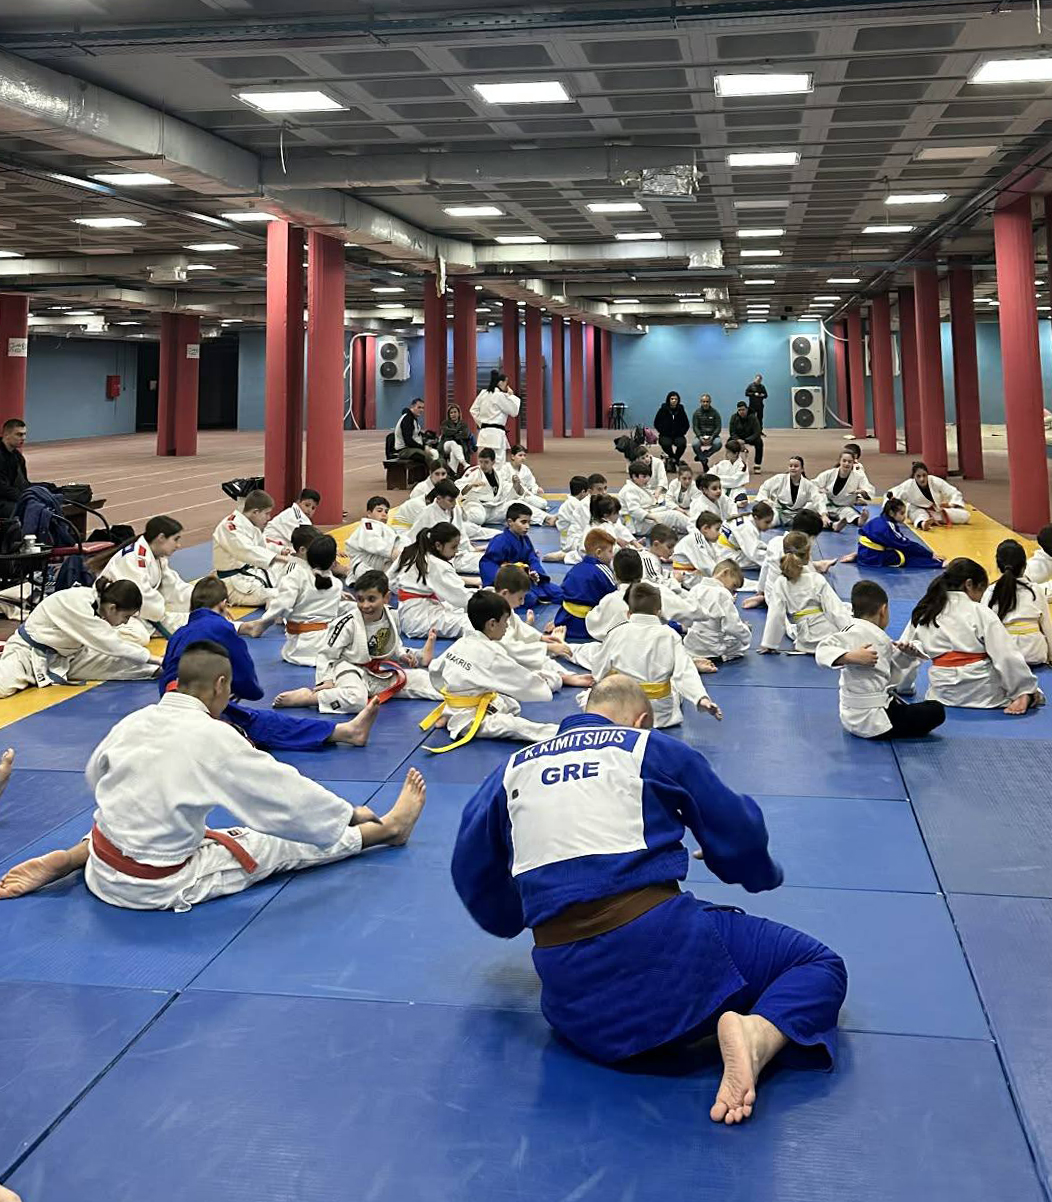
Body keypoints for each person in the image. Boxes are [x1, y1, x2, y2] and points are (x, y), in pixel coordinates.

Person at [452, 673, 847, 1124]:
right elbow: (742, 835)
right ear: (642, 721)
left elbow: (471, 872)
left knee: (656, 913)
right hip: (672, 969)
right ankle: (757, 1034)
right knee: (818, 965)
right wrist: (751, 869)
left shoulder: (509, 772)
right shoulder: (648, 748)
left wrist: (518, 916)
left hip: (574, 1008)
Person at [0, 642, 426, 911]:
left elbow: (98, 778)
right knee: (273, 842)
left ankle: (75, 856)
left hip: (103, 866)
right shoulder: (214, 737)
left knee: (132, 806)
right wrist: (348, 813)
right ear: (221, 685)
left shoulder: (137, 720)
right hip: (152, 887)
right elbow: (284, 797)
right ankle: (387, 831)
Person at [160, 577, 381, 752]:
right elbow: (249, 683)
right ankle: (345, 732)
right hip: (198, 708)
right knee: (259, 723)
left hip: (172, 705)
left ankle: (345, 732)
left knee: (250, 717)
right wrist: (240, 689)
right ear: (224, 605)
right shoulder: (221, 628)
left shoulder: (178, 633)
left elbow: (165, 677)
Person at [274, 570, 442, 713]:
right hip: (348, 668)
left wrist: (401, 655)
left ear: (386, 597)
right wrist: (326, 681)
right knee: (357, 700)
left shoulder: (392, 615)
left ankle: (460, 694)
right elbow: (326, 654)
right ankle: (310, 698)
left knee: (424, 679)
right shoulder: (347, 623)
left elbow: (393, 643)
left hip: (375, 672)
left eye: (371, 599)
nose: (365, 605)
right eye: (360, 599)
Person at [899, 558, 1044, 714]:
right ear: (968, 584)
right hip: (983, 692)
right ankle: (1027, 696)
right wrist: (1023, 690)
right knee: (1037, 694)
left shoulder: (926, 611)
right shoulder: (980, 612)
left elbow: (905, 649)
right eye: (981, 590)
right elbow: (1006, 656)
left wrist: (903, 686)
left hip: (942, 692)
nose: (980, 597)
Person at [422, 590, 560, 751]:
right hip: (469, 719)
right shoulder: (491, 653)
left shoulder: (461, 643)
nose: (507, 626)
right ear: (492, 624)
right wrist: (543, 687)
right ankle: (559, 733)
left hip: (465, 702)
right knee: (513, 725)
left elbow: (435, 669)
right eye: (505, 621)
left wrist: (453, 693)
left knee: (511, 703)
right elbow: (520, 680)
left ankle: (449, 713)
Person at [815, 580, 942, 740]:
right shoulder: (855, 632)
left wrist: (907, 654)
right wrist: (850, 657)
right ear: (883, 610)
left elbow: (887, 674)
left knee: (921, 709)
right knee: (936, 710)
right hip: (873, 720)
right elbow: (822, 650)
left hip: (854, 716)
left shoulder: (872, 635)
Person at [586, 584, 723, 727]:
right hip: (659, 713)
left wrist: (602, 682)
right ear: (658, 613)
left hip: (623, 706)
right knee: (674, 685)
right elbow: (684, 672)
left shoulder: (616, 632)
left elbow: (599, 668)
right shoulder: (670, 635)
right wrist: (701, 698)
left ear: (628, 613)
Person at [0, 579, 160, 697]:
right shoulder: (78, 604)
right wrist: (156, 658)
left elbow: (112, 644)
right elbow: (112, 644)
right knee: (3, 687)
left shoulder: (98, 603)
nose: (125, 622)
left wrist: (158, 663)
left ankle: (161, 670)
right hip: (28, 653)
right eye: (126, 616)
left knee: (120, 662)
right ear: (112, 608)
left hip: (69, 657)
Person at [246, 532, 349, 666]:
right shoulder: (337, 585)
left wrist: (264, 621)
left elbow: (282, 605)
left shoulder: (296, 577)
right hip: (327, 645)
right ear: (333, 563)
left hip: (300, 648)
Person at [492, 565, 593, 691]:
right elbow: (509, 648)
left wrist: (542, 638)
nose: (522, 602)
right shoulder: (491, 612)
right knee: (528, 669)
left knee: (541, 659)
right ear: (505, 593)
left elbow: (518, 626)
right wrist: (547, 647)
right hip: (497, 659)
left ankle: (565, 675)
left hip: (511, 650)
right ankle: (561, 678)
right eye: (520, 598)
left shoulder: (502, 604)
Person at [101, 515, 193, 641]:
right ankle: (98, 635)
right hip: (116, 612)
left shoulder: (156, 556)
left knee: (191, 617)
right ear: (161, 538)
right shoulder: (134, 557)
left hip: (141, 611)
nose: (178, 545)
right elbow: (142, 595)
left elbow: (173, 586)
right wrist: (163, 615)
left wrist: (199, 599)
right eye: (175, 539)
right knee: (139, 636)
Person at [759, 533, 851, 655]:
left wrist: (769, 644)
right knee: (847, 609)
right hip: (829, 636)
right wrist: (850, 634)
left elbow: (775, 615)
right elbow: (836, 610)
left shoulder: (780, 583)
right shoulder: (817, 579)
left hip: (806, 641)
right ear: (808, 555)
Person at [394, 523, 474, 638]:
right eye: (453, 547)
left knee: (457, 609)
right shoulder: (437, 564)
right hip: (419, 618)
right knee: (470, 622)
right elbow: (463, 599)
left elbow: (390, 581)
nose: (456, 551)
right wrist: (490, 599)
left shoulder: (411, 551)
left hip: (408, 612)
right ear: (438, 545)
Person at [745, 510, 835, 610]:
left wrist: (761, 590)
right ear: (812, 537)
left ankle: (764, 598)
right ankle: (819, 566)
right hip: (793, 606)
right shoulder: (802, 550)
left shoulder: (774, 542)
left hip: (771, 598)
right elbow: (812, 583)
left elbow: (765, 568)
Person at [983, 539, 1052, 665]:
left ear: (998, 566)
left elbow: (985, 630)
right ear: (1025, 566)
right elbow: (1047, 627)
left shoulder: (990, 592)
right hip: (1035, 655)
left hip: (1005, 657)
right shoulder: (1035, 590)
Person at [213, 489, 286, 607]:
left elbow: (262, 546)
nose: (269, 518)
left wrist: (281, 551)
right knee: (280, 595)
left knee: (290, 573)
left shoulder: (251, 525)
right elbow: (247, 550)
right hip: (233, 583)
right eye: (267, 513)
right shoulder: (229, 526)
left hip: (250, 574)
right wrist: (279, 557)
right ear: (255, 512)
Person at [480, 503, 562, 606]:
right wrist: (508, 579)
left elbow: (532, 558)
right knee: (530, 598)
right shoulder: (500, 541)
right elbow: (488, 563)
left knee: (560, 593)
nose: (527, 527)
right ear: (510, 522)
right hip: (509, 584)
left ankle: (540, 593)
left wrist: (535, 573)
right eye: (523, 522)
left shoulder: (525, 539)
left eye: (529, 522)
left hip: (527, 580)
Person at [405, 479, 484, 575]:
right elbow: (413, 539)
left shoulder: (455, 509)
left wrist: (470, 549)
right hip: (440, 558)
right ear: (438, 498)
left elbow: (461, 532)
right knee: (484, 563)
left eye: (455, 500)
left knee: (487, 557)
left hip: (457, 552)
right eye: (450, 501)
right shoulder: (427, 514)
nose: (454, 504)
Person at [683, 560, 752, 666]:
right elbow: (732, 627)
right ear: (725, 572)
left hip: (691, 647)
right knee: (740, 643)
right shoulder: (723, 593)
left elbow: (687, 619)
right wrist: (746, 632)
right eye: (733, 585)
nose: (732, 591)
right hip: (712, 651)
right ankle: (722, 656)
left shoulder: (695, 589)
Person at [554, 528, 618, 641]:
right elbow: (614, 596)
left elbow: (563, 592)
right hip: (586, 626)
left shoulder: (575, 568)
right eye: (610, 551)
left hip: (564, 621)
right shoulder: (603, 570)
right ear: (598, 553)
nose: (612, 555)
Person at [854, 498, 943, 569]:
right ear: (891, 513)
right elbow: (906, 545)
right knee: (905, 556)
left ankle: (857, 556)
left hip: (863, 551)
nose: (904, 517)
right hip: (872, 558)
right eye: (902, 513)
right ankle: (939, 564)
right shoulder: (888, 527)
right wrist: (929, 554)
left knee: (899, 548)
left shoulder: (877, 520)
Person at [619, 460, 691, 536]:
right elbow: (634, 510)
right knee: (674, 515)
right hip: (638, 525)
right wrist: (654, 517)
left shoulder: (637, 487)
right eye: (644, 476)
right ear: (634, 477)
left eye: (648, 476)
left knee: (671, 508)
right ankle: (695, 527)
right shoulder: (629, 489)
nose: (647, 479)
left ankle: (689, 526)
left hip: (646, 517)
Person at [892, 462, 970, 529]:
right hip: (916, 510)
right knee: (920, 516)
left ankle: (932, 520)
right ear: (914, 476)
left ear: (927, 474)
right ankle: (923, 524)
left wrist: (951, 504)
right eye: (918, 476)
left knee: (965, 516)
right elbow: (891, 494)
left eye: (924, 475)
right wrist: (893, 512)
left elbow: (953, 492)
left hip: (936, 510)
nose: (922, 479)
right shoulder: (908, 485)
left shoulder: (935, 481)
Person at [758, 457, 828, 527]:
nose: (793, 468)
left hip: (797, 515)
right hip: (778, 512)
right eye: (790, 466)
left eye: (796, 466)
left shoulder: (808, 484)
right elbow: (765, 487)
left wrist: (824, 515)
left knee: (811, 523)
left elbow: (818, 499)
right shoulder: (779, 479)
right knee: (767, 523)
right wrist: (764, 499)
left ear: (802, 469)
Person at [471, 370, 520, 467]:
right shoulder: (500, 396)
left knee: (483, 464)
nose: (507, 385)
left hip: (484, 434)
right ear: (500, 382)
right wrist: (512, 396)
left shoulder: (483, 393)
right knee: (497, 464)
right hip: (496, 434)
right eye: (506, 382)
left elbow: (473, 410)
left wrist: (482, 423)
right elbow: (514, 412)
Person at [814, 452, 874, 531]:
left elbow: (868, 489)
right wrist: (819, 489)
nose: (846, 464)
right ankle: (829, 522)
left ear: (853, 463)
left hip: (842, 507)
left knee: (849, 513)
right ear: (840, 461)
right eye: (844, 461)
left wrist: (863, 492)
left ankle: (859, 521)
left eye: (849, 462)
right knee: (815, 503)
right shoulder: (829, 473)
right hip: (825, 505)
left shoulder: (858, 477)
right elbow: (813, 485)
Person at [459, 447, 517, 526]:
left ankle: (486, 519)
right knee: (479, 517)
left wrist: (516, 485)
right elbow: (458, 488)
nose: (483, 465)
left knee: (516, 505)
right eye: (481, 462)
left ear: (493, 462)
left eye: (486, 462)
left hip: (493, 507)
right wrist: (470, 485)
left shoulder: (499, 475)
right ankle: (459, 518)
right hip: (476, 505)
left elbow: (507, 490)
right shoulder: (473, 472)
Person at [345, 496, 400, 578]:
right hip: (363, 566)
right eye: (379, 511)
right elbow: (373, 542)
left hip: (378, 565)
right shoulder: (368, 525)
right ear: (369, 513)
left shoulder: (387, 529)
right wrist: (392, 552)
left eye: (386, 512)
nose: (384, 514)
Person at [717, 502, 775, 572]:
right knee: (761, 562)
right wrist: (776, 559)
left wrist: (768, 548)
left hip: (728, 547)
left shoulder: (749, 518)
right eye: (767, 522)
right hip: (724, 553)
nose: (769, 526)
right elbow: (754, 554)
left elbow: (753, 542)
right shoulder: (746, 528)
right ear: (756, 518)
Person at [545, 475, 590, 564]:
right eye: (587, 492)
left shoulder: (569, 502)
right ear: (583, 492)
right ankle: (566, 556)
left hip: (567, 540)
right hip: (571, 542)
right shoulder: (577, 504)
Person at [673, 511, 724, 586]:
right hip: (686, 582)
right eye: (717, 529)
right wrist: (723, 577)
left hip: (693, 578)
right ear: (705, 528)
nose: (720, 533)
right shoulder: (695, 539)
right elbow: (706, 566)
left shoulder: (705, 540)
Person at [504, 445, 550, 518]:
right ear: (513, 456)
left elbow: (531, 483)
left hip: (525, 497)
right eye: (520, 455)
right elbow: (503, 485)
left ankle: (524, 506)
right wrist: (516, 487)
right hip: (509, 497)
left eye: (524, 455)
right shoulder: (505, 468)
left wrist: (536, 489)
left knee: (543, 503)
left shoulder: (525, 469)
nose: (523, 458)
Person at [393, 397, 438, 467]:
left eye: (423, 408)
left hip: (412, 448)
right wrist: (424, 447)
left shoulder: (413, 418)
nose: (421, 410)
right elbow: (408, 441)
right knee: (430, 456)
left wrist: (428, 441)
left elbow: (417, 435)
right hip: (404, 450)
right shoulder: (407, 419)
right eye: (419, 407)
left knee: (436, 452)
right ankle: (435, 473)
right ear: (412, 407)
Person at [0, 417, 29, 519]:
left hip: (9, 498)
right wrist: (24, 498)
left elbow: (24, 483)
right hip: (3, 500)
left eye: (24, 434)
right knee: (28, 511)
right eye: (19, 434)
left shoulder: (18, 457)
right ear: (6, 435)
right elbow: (2, 488)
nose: (24, 438)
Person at [439, 403, 475, 475]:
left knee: (454, 453)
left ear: (458, 413)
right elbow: (446, 432)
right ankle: (464, 463)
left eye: (455, 412)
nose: (453, 414)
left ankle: (452, 474)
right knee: (452, 443)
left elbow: (465, 434)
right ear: (449, 415)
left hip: (459, 446)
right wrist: (458, 432)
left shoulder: (463, 424)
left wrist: (452, 433)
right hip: (446, 445)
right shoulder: (445, 423)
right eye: (451, 413)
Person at [728, 401, 764, 472]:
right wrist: (737, 439)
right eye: (739, 410)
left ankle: (757, 464)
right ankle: (732, 463)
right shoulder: (734, 417)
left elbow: (757, 432)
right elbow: (732, 432)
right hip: (738, 438)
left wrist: (745, 441)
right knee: (729, 443)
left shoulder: (753, 418)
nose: (741, 412)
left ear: (747, 409)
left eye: (743, 409)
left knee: (759, 442)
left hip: (750, 438)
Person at [654, 391, 689, 461]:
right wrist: (662, 431)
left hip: (678, 435)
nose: (674, 401)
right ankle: (672, 457)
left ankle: (676, 459)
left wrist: (682, 432)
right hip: (665, 435)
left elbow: (686, 424)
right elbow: (656, 423)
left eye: (676, 399)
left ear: (678, 400)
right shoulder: (662, 410)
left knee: (682, 444)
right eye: (672, 399)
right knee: (665, 444)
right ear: (668, 400)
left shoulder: (681, 410)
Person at [691, 394, 722, 469]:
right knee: (695, 444)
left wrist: (713, 436)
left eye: (707, 401)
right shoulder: (696, 413)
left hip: (713, 436)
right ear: (701, 402)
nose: (705, 403)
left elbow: (718, 427)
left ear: (710, 402)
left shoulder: (715, 413)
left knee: (718, 443)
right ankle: (704, 461)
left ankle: (703, 456)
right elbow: (695, 427)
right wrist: (699, 436)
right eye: (703, 401)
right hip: (700, 436)